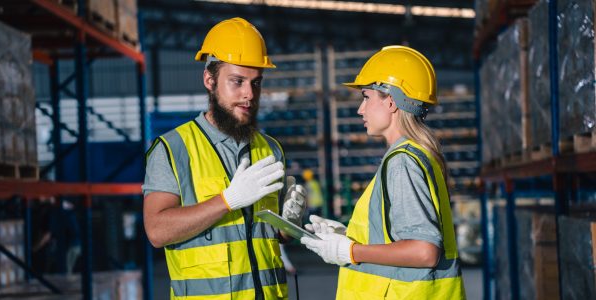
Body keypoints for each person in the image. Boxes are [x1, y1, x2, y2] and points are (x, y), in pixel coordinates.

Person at [142, 17, 307, 300]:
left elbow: (268, 239)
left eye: (256, 83)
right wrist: (227, 201)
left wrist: (288, 226)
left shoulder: (270, 149)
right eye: (237, 82)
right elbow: (157, 231)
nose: (249, 95)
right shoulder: (173, 149)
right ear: (209, 79)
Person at [301, 46, 466, 299]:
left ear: (391, 101)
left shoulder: (402, 162)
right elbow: (400, 235)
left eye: (366, 97)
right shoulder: (418, 155)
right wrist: (347, 237)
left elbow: (424, 251)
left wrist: (351, 251)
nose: (360, 109)